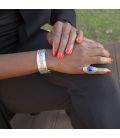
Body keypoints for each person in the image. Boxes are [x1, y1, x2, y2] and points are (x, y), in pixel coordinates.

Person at [0, 9, 120, 129]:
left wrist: (65, 24)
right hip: (7, 69)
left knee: (91, 66)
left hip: (30, 41)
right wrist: (48, 59)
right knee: (91, 78)